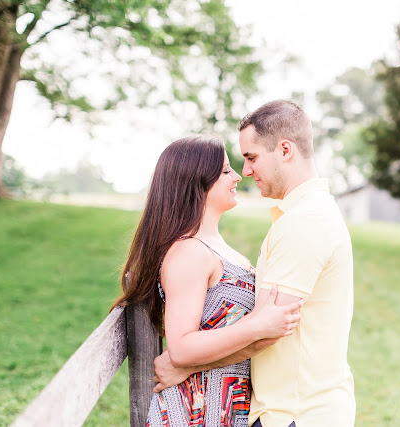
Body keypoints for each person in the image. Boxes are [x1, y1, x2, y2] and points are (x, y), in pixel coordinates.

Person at [154, 101, 356, 427]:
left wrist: (187, 366)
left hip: (295, 413)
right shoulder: (306, 215)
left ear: (285, 150)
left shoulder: (303, 223)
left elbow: (267, 331)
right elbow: (264, 326)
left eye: (251, 158)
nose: (245, 171)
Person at [113, 135, 303, 427]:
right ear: (196, 181)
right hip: (197, 412)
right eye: (226, 170)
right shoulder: (189, 252)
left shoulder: (215, 247)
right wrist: (258, 325)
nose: (239, 175)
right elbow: (181, 348)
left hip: (227, 408)